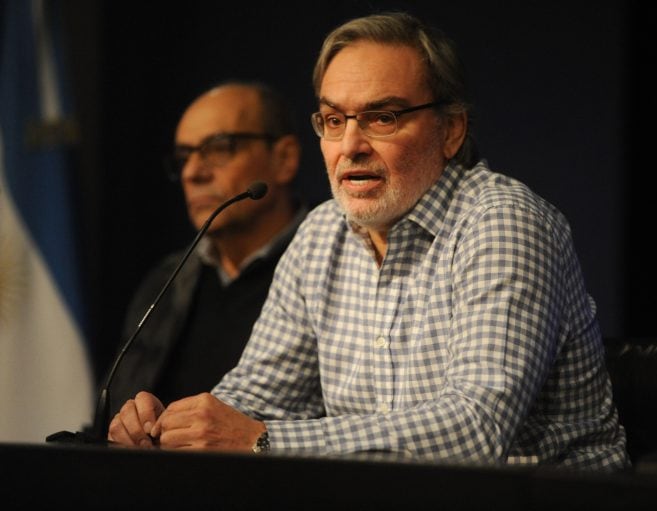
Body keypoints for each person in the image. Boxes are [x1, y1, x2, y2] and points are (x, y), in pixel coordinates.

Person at [109, 12, 630, 470]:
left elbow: (475, 429)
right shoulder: (320, 235)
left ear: (451, 131)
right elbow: (255, 399)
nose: (351, 146)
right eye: (334, 120)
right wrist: (171, 429)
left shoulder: (502, 223)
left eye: (382, 117)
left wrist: (264, 442)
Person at [104, 81, 306, 416]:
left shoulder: (336, 267)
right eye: (184, 157)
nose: (192, 172)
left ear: (284, 158)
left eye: (219, 147)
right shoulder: (167, 281)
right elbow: (116, 405)